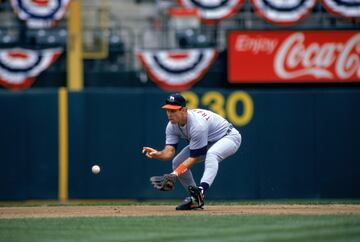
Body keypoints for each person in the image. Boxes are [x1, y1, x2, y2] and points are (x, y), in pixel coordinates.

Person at [142, 93, 242, 210]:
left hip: (229, 137)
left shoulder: (197, 125)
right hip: (208, 141)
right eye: (168, 110)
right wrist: (158, 154)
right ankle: (196, 199)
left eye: (173, 111)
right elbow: (169, 152)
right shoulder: (171, 126)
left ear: (184, 110)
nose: (169, 114)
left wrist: (174, 174)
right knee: (177, 162)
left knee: (212, 155)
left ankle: (201, 191)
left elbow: (194, 157)